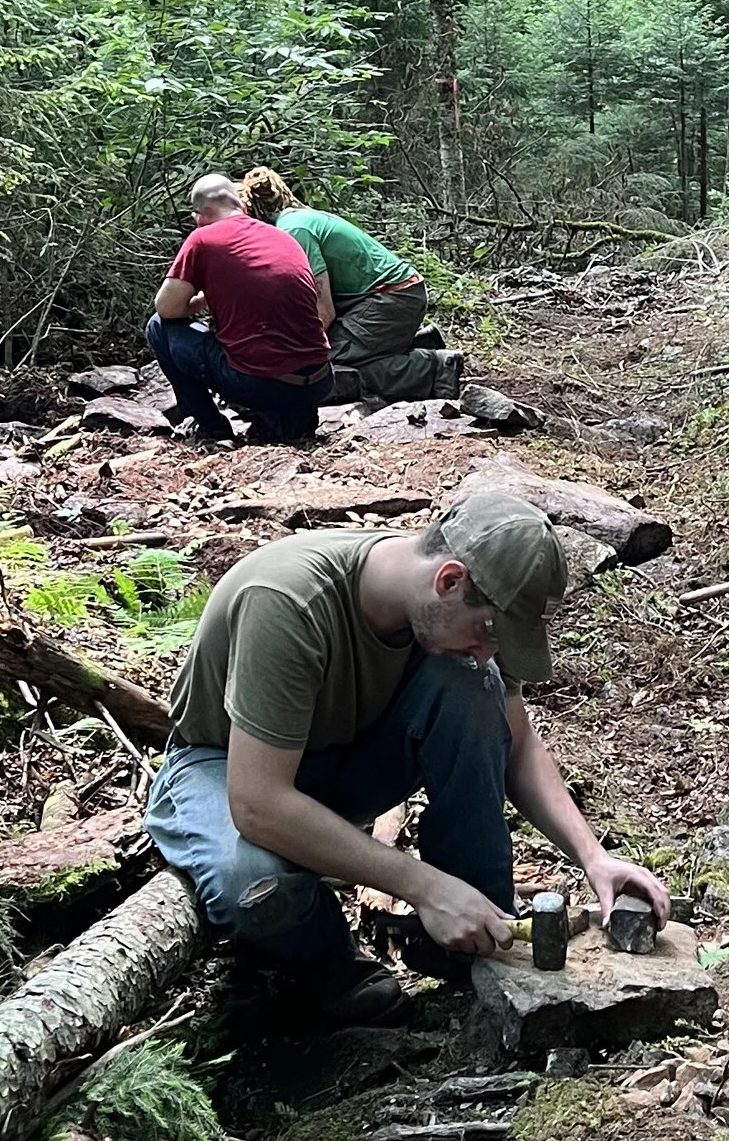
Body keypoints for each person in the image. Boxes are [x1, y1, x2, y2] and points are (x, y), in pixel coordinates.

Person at [144, 488, 670, 1025]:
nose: (488, 650)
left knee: (473, 686)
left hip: (343, 761)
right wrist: (425, 888)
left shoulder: (443, 620)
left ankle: (476, 936)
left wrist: (593, 856)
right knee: (255, 884)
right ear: (449, 580)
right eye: (488, 630)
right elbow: (257, 803)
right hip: (222, 766)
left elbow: (519, 743)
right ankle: (330, 970)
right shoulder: (287, 601)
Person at [145, 172, 334, 445]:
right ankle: (291, 422)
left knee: (158, 328)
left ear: (198, 216)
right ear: (243, 208)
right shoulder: (282, 237)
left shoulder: (202, 239)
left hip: (260, 385)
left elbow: (166, 309)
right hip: (319, 381)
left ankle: (212, 428)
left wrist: (200, 300)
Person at [237, 166, 449, 405]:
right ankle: (412, 345)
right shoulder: (296, 219)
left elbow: (323, 311)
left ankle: (432, 368)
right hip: (388, 297)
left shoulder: (294, 230)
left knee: (319, 364)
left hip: (392, 298)